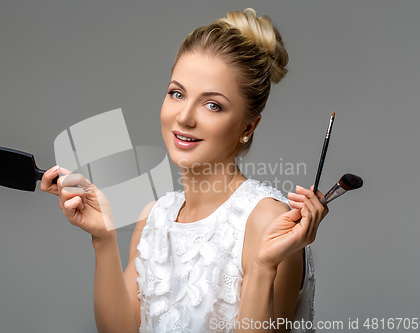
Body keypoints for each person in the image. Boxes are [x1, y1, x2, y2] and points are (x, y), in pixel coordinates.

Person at [41, 8, 328, 333]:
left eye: (212, 104)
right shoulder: (155, 217)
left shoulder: (269, 223)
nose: (185, 117)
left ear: (249, 125)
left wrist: (263, 266)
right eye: (177, 94)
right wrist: (104, 240)